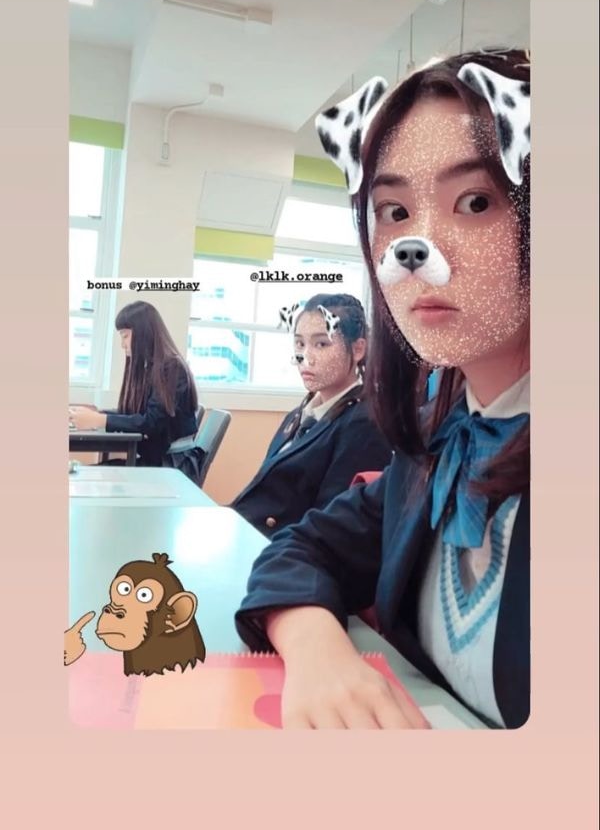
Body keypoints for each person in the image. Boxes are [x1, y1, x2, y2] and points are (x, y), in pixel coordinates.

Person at [235, 49, 531, 729]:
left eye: (476, 201)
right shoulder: (434, 445)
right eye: (393, 211)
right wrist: (317, 649)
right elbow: (302, 547)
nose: (416, 247)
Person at [231, 293, 392, 535]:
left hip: (282, 549)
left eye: (322, 344)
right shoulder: (300, 414)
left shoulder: (363, 423)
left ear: (358, 349)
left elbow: (331, 526)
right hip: (248, 531)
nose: (306, 357)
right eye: (300, 344)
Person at [69, 301, 198, 467]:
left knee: (86, 475)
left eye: (125, 336)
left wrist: (100, 420)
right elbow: (136, 414)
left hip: (172, 465)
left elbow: (151, 422)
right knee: (86, 473)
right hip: (159, 460)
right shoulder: (153, 368)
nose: (122, 344)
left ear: (143, 333)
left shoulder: (172, 368)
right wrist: (96, 415)